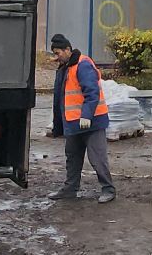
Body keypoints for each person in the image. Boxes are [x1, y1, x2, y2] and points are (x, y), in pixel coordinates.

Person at [47, 33, 113, 202]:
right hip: (74, 123)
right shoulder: (66, 66)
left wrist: (86, 115)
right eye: (54, 53)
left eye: (58, 53)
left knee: (97, 158)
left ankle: (108, 189)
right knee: (72, 157)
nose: (56, 57)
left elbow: (92, 92)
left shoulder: (82, 65)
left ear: (67, 49)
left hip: (91, 122)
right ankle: (70, 189)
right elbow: (61, 97)